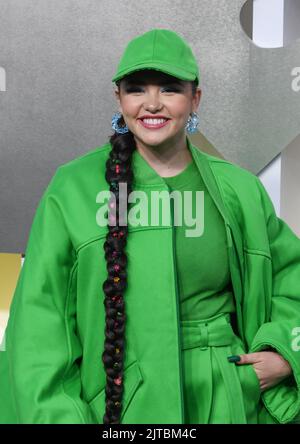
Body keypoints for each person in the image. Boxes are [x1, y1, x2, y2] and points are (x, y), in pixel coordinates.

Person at [0, 28, 300, 424]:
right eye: (137, 89)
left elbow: (291, 279)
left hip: (226, 396)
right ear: (118, 98)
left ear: (195, 98)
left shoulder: (241, 190)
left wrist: (284, 353)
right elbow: (40, 323)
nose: (152, 104)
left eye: (170, 89)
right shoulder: (72, 187)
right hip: (119, 406)